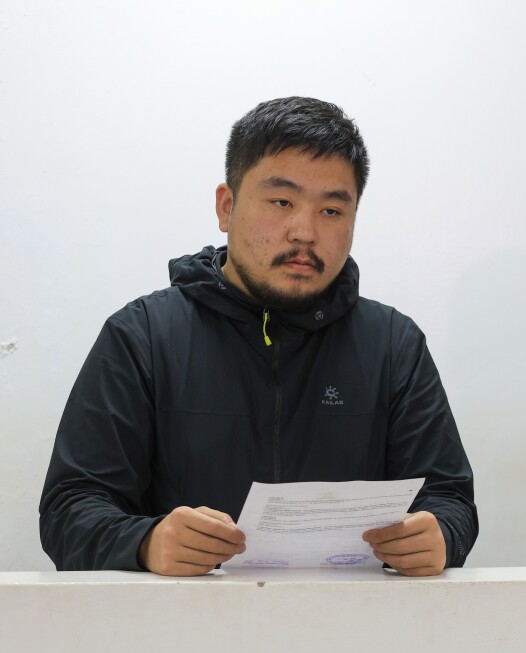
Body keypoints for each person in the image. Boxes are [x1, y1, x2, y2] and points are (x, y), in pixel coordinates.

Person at [40, 97, 477, 577]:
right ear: (226, 207)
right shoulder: (142, 336)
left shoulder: (393, 345)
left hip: (350, 615)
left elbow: (449, 498)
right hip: (184, 618)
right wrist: (145, 542)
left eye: (332, 210)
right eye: (282, 202)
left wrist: (441, 535)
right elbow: (69, 508)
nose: (305, 232)